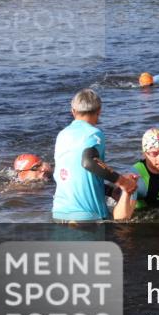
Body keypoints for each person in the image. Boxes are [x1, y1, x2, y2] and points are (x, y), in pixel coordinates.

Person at [51, 88, 138, 223]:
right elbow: (89, 162)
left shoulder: (62, 135)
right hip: (87, 217)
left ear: (73, 111)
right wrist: (123, 182)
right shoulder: (94, 134)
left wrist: (109, 191)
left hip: (59, 214)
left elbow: (74, 176)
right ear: (99, 111)